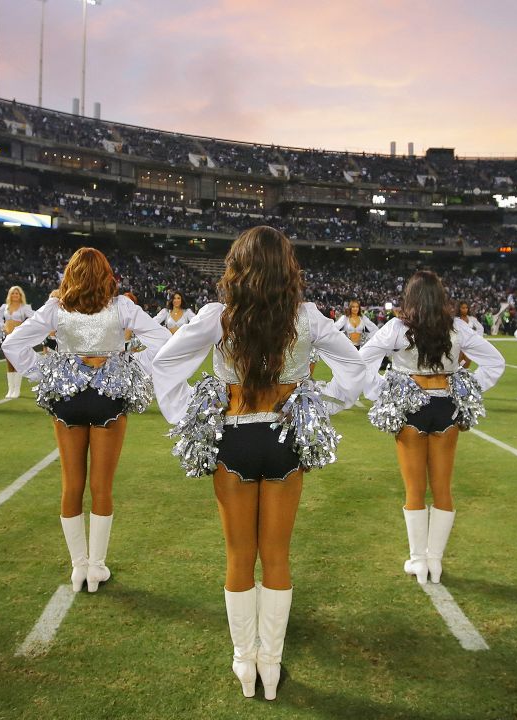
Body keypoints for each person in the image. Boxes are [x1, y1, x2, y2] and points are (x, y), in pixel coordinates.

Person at [151, 227, 367, 701]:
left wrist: (196, 413)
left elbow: (164, 366)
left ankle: (243, 662)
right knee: (276, 556)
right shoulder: (308, 317)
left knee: (238, 555)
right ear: (288, 268)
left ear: (238, 266)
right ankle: (270, 664)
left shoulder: (218, 316)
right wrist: (317, 402)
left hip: (234, 437)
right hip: (286, 439)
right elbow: (355, 370)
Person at [3, 249, 170, 595]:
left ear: (71, 273)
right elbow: (165, 342)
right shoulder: (122, 306)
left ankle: (78, 567)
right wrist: (132, 368)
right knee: (102, 487)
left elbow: (13, 343)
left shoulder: (55, 308)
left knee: (71, 485)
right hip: (108, 398)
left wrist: (44, 371)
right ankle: (96, 568)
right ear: (106, 274)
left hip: (67, 399)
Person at [360, 271, 504, 586]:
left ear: (409, 298)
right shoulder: (457, 327)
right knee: (442, 488)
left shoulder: (397, 329)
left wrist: (383, 391)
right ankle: (434, 561)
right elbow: (496, 363)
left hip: (410, 409)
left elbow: (360, 363)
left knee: (414, 489)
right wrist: (465, 389)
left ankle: (418, 561)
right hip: (446, 407)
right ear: (441, 298)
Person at [0, 286, 35, 400]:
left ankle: (16, 389)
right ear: (10, 295)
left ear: (20, 295)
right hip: (7, 337)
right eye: (13, 293)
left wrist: (26, 327)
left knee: (17, 362)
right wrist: (1, 326)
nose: (15, 295)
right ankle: (10, 389)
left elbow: (35, 317)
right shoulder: (4, 307)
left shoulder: (25, 307)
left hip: (18, 337)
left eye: (17, 293)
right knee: (9, 362)